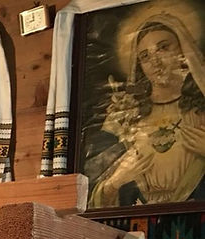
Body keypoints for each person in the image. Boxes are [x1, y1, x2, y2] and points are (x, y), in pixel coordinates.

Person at [87, 13, 205, 207]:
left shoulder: (200, 110)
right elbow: (94, 194)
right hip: (138, 222)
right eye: (145, 56)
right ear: (140, 66)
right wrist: (115, 183)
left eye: (163, 48)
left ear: (183, 51)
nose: (155, 62)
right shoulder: (123, 117)